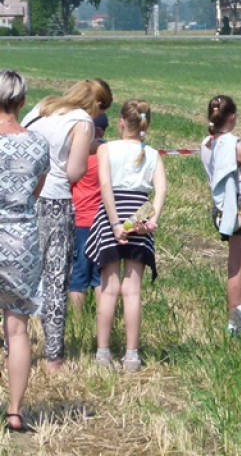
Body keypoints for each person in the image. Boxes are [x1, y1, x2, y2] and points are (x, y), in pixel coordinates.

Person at [22, 77, 112, 372]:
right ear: (96, 104)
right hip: (55, 200)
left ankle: (15, 345)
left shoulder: (42, 107)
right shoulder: (82, 121)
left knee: (20, 275)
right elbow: (73, 172)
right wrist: (89, 149)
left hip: (21, 198)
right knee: (56, 276)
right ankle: (54, 356)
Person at [86, 99, 166, 372]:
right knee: (132, 291)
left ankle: (103, 352)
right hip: (140, 213)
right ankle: (132, 354)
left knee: (108, 289)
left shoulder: (106, 149)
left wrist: (115, 223)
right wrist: (151, 219)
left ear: (121, 122)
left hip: (113, 212)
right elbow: (161, 191)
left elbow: (105, 185)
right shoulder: (153, 154)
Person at [0, 70, 50, 433]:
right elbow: (36, 190)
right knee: (17, 328)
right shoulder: (38, 144)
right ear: (22, 102)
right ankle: (15, 412)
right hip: (21, 237)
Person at [201, 95, 241, 337]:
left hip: (221, 207)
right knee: (238, 267)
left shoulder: (206, 144)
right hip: (240, 204)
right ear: (232, 117)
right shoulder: (235, 145)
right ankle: (236, 322)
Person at [69, 112, 108, 312]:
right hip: (103, 221)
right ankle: (103, 315)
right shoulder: (107, 155)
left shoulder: (80, 155)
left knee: (79, 273)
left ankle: (77, 319)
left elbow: (69, 181)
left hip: (81, 220)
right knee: (100, 275)